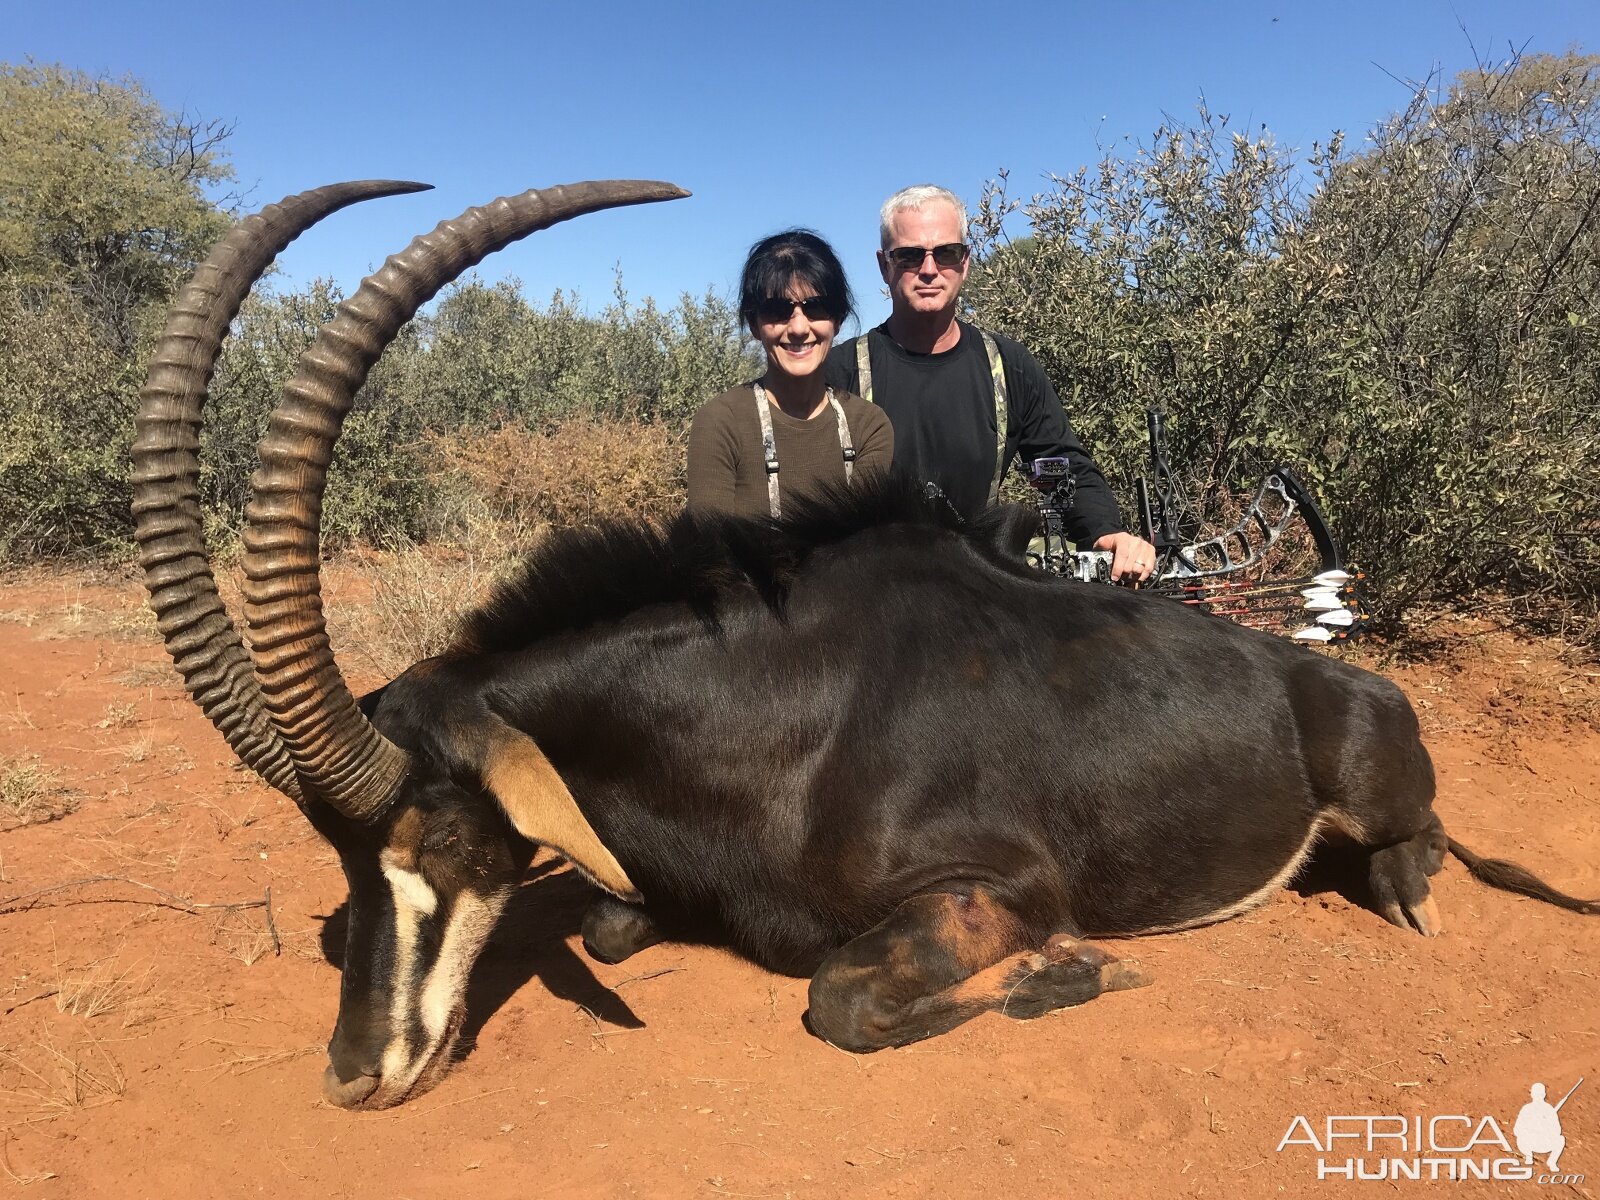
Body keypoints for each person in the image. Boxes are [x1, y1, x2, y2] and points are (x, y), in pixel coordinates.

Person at [825, 184, 1157, 581]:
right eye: (909, 255)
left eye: (945, 253)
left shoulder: (1008, 366)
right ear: (885, 265)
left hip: (981, 594)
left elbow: (1059, 464)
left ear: (964, 262)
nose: (929, 269)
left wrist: (1106, 532)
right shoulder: (840, 371)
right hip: (873, 593)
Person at [688, 231, 892, 520]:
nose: (798, 327)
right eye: (777, 310)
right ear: (755, 324)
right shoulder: (721, 422)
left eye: (816, 308)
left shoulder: (869, 427)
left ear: (838, 320)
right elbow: (711, 553)